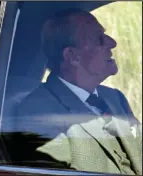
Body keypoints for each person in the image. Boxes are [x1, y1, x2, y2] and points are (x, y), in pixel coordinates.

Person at [15, 8, 142, 174]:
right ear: (73, 56)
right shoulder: (37, 112)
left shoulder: (115, 98)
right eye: (99, 39)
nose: (112, 43)